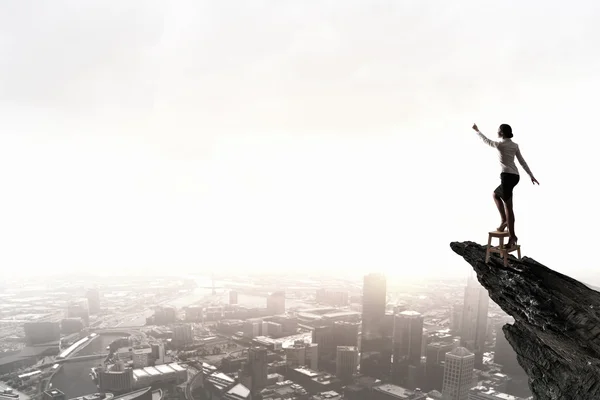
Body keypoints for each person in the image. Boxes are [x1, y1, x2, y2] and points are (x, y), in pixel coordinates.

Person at [471, 123, 539, 248]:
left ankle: (512, 236)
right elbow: (522, 162)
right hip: (515, 176)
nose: (496, 132)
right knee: (495, 194)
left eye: (498, 130)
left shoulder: (500, 145)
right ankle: (504, 221)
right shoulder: (514, 145)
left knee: (509, 208)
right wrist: (531, 175)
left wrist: (477, 130)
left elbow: (486, 140)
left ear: (502, 133)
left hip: (507, 177)